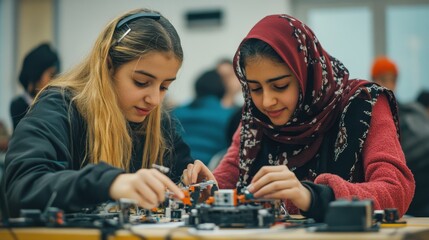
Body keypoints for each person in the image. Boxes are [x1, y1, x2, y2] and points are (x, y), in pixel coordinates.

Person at [184, 14, 415, 222]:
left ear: (305, 75)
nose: (266, 101)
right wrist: (208, 185)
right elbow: (231, 175)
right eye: (255, 89)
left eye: (280, 86)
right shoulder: (255, 116)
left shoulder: (365, 103)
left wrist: (311, 196)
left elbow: (395, 190)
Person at [3, 8, 198, 218]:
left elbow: (181, 182)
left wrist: (192, 184)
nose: (155, 100)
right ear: (108, 66)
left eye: (164, 87)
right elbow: (22, 189)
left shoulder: (160, 122)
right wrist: (109, 183)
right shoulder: (59, 107)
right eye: (141, 82)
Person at [372, 56, 429, 217]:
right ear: (374, 79)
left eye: (392, 80)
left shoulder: (412, 110)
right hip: (404, 178)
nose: (388, 84)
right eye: (383, 79)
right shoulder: (367, 113)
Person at [173, 68, 236, 165]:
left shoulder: (176, 113)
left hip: (176, 167)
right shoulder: (230, 117)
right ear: (222, 90)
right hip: (210, 171)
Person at [10, 43, 60, 130]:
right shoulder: (18, 106)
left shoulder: (57, 103)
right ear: (36, 76)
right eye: (52, 75)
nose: (55, 81)